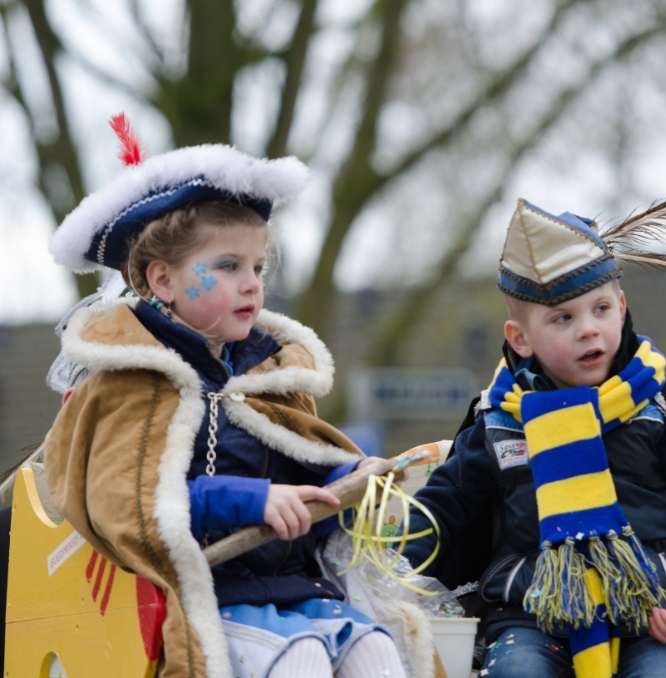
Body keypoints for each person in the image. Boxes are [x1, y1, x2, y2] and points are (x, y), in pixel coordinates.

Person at [41, 116, 407, 678]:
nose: (253, 283)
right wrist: (251, 501)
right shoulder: (126, 383)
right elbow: (129, 505)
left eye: (257, 266)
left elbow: (305, 481)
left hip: (299, 589)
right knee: (302, 658)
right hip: (206, 597)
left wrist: (352, 482)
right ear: (162, 281)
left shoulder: (272, 372)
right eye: (228, 266)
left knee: (378, 651)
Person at [402, 199, 666, 678]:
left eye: (600, 309)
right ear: (521, 339)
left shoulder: (663, 411)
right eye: (562, 318)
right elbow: (442, 509)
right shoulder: (498, 423)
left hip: (648, 618)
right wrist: (382, 570)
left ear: (621, 310)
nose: (588, 329)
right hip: (529, 617)